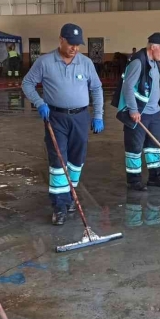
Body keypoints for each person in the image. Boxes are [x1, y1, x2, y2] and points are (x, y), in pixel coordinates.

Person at [22, 23, 104, 226]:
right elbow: (27, 83)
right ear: (61, 40)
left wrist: (98, 115)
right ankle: (59, 206)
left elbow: (97, 89)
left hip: (80, 118)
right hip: (55, 118)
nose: (75, 48)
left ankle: (69, 196)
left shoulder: (85, 63)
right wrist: (39, 103)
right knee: (59, 162)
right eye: (71, 44)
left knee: (76, 160)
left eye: (78, 44)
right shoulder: (45, 62)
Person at [112, 33, 160, 191]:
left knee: (154, 146)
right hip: (139, 113)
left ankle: (155, 177)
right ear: (153, 47)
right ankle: (134, 181)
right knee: (135, 147)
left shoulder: (154, 62)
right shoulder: (138, 62)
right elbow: (127, 87)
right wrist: (133, 109)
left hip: (154, 113)